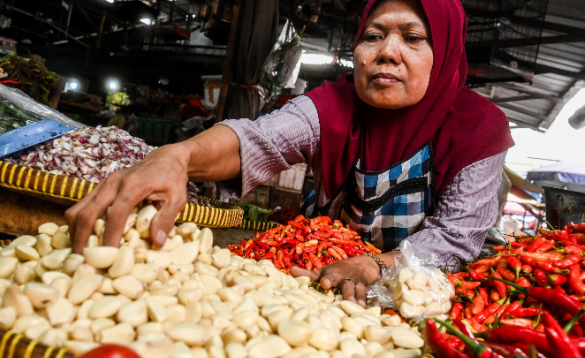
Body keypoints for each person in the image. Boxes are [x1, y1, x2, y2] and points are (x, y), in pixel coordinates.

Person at [66, 0, 514, 306]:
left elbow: (455, 239)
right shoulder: (332, 105)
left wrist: (376, 267)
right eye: (374, 36)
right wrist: (177, 156)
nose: (387, 54)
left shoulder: (479, 128)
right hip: (316, 281)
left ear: (446, 52)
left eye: (413, 38)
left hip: (417, 296)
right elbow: (257, 140)